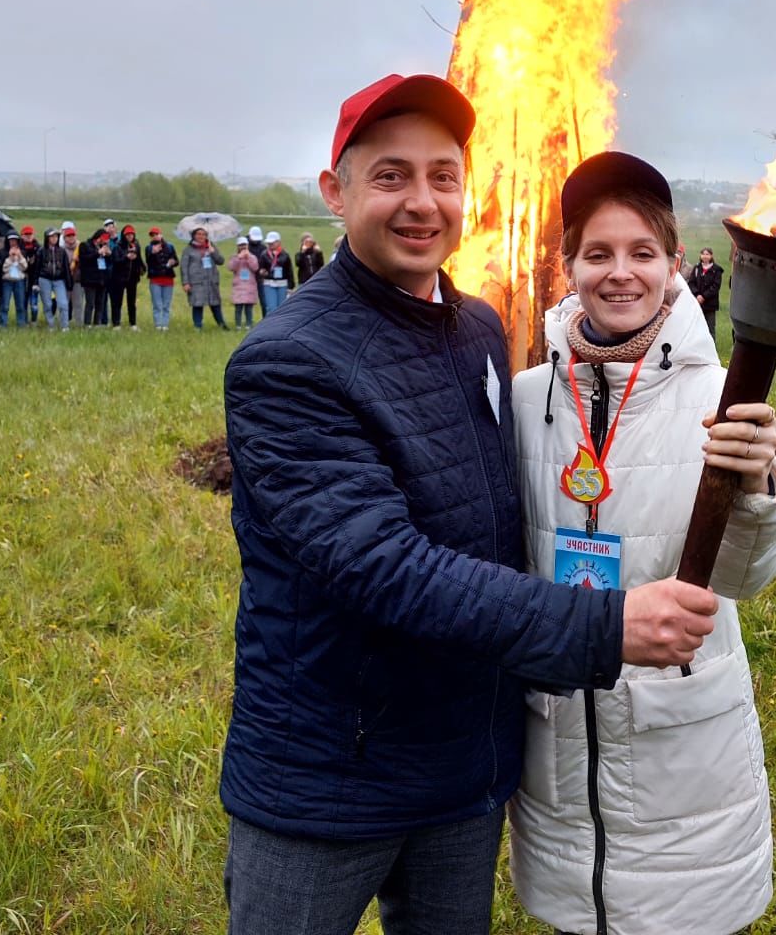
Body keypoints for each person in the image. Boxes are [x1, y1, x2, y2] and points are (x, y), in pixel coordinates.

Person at [220, 73, 717, 935]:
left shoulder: (480, 329)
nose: (422, 202)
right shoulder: (287, 362)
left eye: (442, 177)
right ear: (335, 192)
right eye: (391, 176)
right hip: (330, 773)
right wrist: (603, 627)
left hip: (463, 768)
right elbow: (385, 569)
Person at [508, 152, 776, 935]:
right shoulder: (528, 399)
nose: (619, 273)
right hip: (560, 747)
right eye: (597, 254)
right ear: (567, 267)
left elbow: (741, 579)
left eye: (641, 253)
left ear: (673, 265)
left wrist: (759, 486)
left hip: (683, 756)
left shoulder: (722, 395)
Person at [180, 227, 226, 330]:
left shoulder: (211, 246)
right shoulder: (188, 250)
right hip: (196, 281)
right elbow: (184, 267)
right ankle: (198, 326)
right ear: (194, 236)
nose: (201, 236)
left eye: (204, 234)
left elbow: (220, 261)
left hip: (211, 281)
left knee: (215, 304)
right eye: (198, 234)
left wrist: (213, 252)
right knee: (197, 304)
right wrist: (185, 282)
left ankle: (222, 325)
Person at [35, 228, 74, 332]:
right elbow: (37, 268)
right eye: (52, 236)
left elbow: (66, 268)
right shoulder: (41, 251)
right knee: (47, 304)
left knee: (63, 303)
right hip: (44, 279)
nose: (54, 239)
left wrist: (69, 283)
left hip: (59, 279)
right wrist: (35, 283)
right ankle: (51, 325)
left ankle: (65, 326)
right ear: (47, 238)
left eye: (56, 236)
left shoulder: (62, 251)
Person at [109, 224, 144, 329]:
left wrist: (142, 268)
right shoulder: (118, 247)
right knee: (117, 301)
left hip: (132, 278)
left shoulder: (136, 245)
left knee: (132, 302)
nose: (129, 236)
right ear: (123, 235)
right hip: (119, 278)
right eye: (127, 234)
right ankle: (116, 323)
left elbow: (139, 259)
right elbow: (115, 260)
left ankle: (133, 323)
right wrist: (126, 257)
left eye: (131, 234)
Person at [144, 226, 179, 332]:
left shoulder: (170, 246)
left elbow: (176, 261)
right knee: (157, 303)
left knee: (166, 303)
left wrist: (173, 262)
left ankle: (165, 324)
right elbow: (148, 262)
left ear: (161, 235)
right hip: (155, 279)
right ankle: (158, 324)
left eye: (156, 234)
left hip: (168, 278)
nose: (155, 237)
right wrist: (153, 253)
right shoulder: (148, 248)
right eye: (152, 235)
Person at [686, 245, 725, 339]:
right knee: (697, 328)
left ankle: (712, 351)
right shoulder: (696, 268)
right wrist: (697, 295)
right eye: (703, 254)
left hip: (710, 304)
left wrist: (703, 296)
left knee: (710, 329)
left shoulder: (717, 270)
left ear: (711, 256)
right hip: (698, 304)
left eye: (707, 254)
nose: (705, 256)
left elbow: (716, 286)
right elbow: (691, 283)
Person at [78, 229, 112, 327]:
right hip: (90, 279)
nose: (105, 241)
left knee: (100, 303)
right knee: (90, 303)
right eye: (104, 239)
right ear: (98, 237)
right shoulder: (85, 245)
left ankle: (97, 323)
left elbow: (108, 262)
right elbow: (84, 259)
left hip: (102, 279)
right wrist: (98, 253)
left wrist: (109, 255)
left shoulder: (104, 247)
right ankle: (87, 324)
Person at [255, 232, 293, 316]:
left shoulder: (285, 255)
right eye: (269, 243)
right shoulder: (264, 255)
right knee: (271, 308)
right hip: (269, 283)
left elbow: (289, 271)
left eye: (272, 242)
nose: (270, 244)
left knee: (281, 308)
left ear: (278, 242)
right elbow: (260, 269)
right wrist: (262, 273)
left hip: (282, 283)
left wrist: (290, 286)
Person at [0, 235, 30, 328]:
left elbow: (25, 267)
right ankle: (3, 324)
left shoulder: (23, 252)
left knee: (20, 304)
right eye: (11, 240)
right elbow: (3, 269)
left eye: (15, 240)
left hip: (19, 281)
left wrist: (19, 257)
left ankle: (21, 324)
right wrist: (10, 258)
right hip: (7, 281)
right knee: (5, 305)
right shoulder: (2, 252)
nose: (13, 242)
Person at [228, 236, 259, 330]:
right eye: (240, 245)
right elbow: (231, 267)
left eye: (244, 245)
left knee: (248, 308)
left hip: (250, 286)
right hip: (239, 286)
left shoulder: (253, 257)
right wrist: (239, 258)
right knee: (238, 308)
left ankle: (248, 324)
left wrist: (248, 258)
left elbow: (255, 267)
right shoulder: (234, 257)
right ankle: (238, 325)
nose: (243, 247)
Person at [60, 222, 85, 324]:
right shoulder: (61, 249)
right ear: (64, 238)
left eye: (72, 235)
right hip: (64, 280)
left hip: (77, 279)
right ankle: (64, 323)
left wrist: (79, 260)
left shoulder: (81, 247)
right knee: (63, 303)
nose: (71, 238)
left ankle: (79, 324)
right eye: (68, 236)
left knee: (78, 303)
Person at [18, 225, 43, 322]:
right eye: (26, 234)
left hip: (34, 279)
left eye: (30, 234)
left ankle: (34, 321)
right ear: (22, 236)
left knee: (34, 304)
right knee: (23, 302)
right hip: (22, 277)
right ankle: (23, 321)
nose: (28, 236)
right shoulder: (18, 248)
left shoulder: (39, 248)